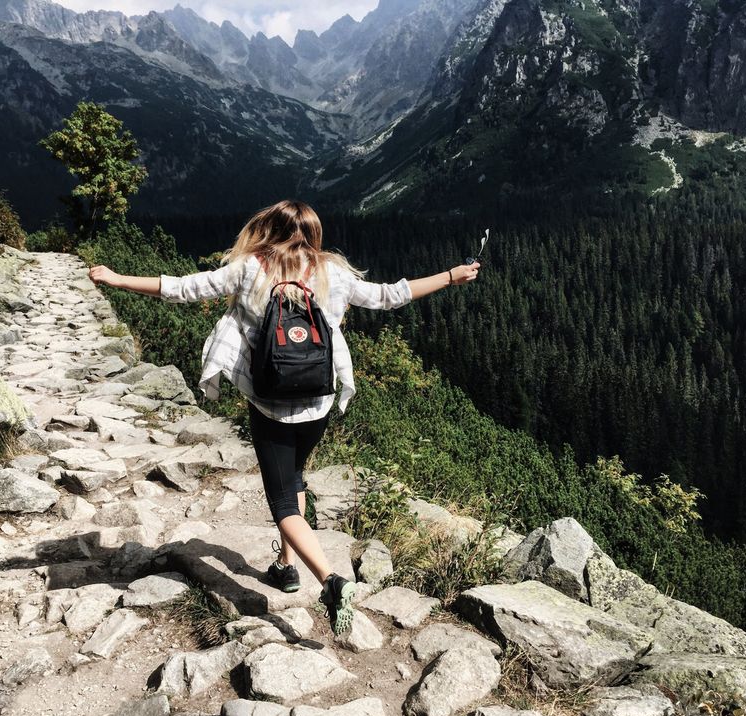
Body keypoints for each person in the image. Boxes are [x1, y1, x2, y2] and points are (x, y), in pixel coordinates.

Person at [88, 200, 480, 635]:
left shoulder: (249, 268)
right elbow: (391, 296)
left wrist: (117, 278)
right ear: (314, 234)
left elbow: (184, 287)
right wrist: (451, 275)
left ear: (268, 230)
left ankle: (330, 582)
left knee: (280, 498)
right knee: (295, 478)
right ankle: (284, 566)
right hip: (318, 401)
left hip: (270, 404)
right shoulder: (333, 271)